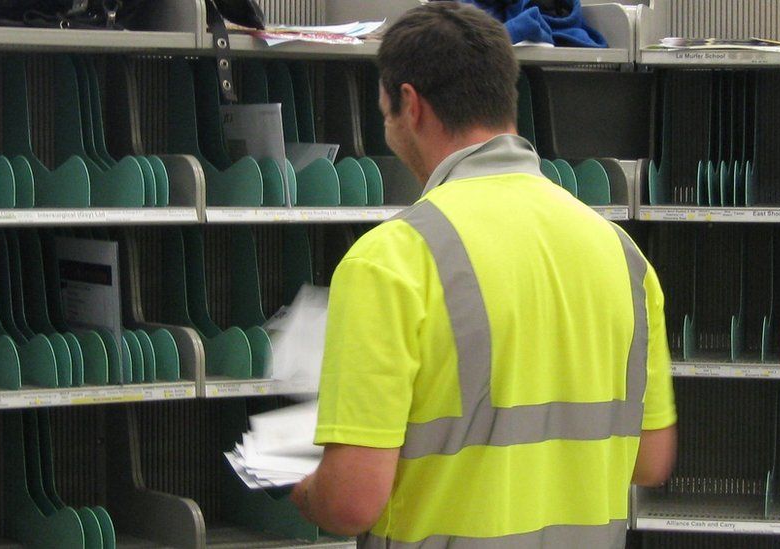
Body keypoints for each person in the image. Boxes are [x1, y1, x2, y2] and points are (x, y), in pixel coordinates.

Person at [290, 2, 677, 547]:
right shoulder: (623, 255)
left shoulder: (393, 261)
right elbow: (651, 460)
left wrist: (301, 489)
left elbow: (352, 502)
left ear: (409, 104)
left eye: (384, 112)